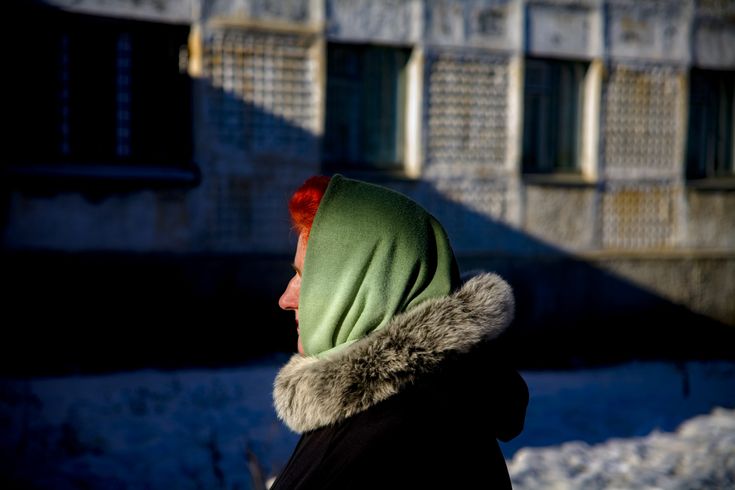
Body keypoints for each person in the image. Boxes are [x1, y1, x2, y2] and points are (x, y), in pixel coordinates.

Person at [271, 174, 528, 489]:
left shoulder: (403, 435)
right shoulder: (381, 407)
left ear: (363, 287)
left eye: (304, 276)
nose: (285, 298)